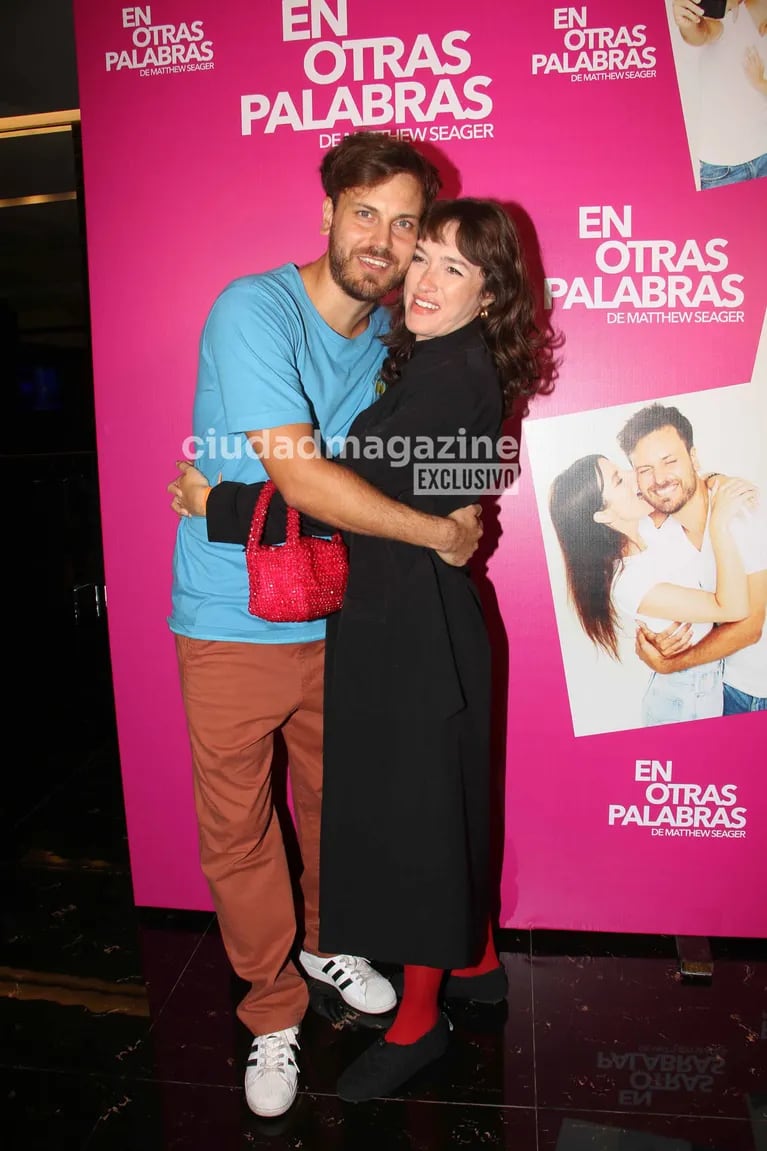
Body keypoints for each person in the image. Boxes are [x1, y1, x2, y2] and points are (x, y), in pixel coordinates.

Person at [172, 197, 554, 1101]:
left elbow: (341, 495)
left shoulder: (447, 372)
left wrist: (214, 507)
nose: (421, 277)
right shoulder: (438, 363)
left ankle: (418, 1025)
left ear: (491, 295)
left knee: (423, 820)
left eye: (453, 269)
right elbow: (451, 480)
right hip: (403, 613)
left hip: (410, 624)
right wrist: (451, 516)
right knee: (437, 805)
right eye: (423, 257)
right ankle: (478, 969)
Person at [550, 447, 753, 725]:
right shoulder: (629, 583)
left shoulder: (649, 525)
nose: (632, 475)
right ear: (603, 516)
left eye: (621, 468)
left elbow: (695, 486)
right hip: (682, 700)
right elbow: (732, 607)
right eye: (618, 480)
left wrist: (720, 479)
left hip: (713, 683)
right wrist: (718, 524)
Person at [617, 404, 767, 716]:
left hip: (758, 691)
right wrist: (653, 640)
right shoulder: (651, 528)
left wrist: (669, 663)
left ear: (694, 458)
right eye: (645, 470)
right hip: (717, 690)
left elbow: (750, 627)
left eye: (669, 461)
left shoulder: (743, 510)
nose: (659, 479)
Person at [672, 0, 767, 189]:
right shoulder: (726, 21)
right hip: (723, 169)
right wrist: (687, 23)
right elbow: (702, 32)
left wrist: (759, 82)